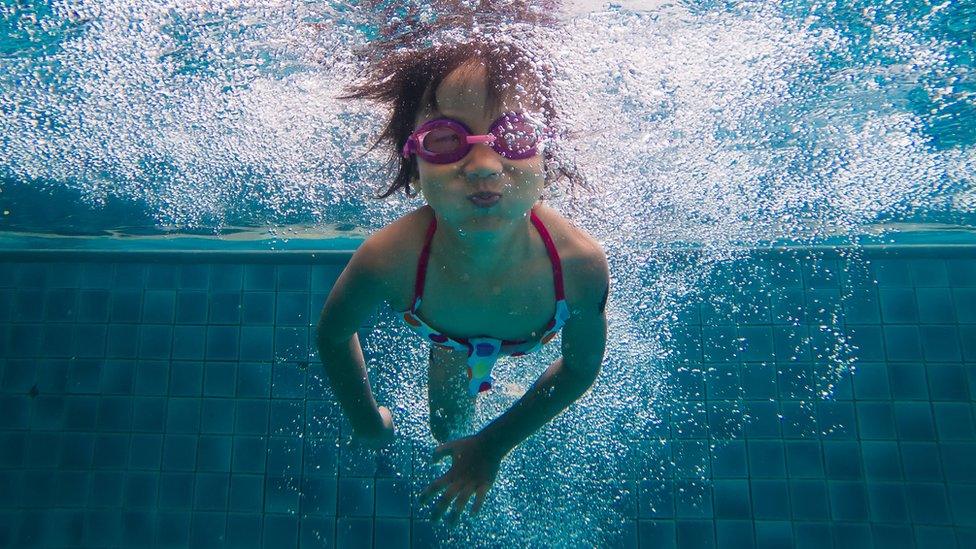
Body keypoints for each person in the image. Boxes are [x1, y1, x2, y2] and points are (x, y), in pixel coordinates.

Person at [315, 4, 609, 525]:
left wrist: (494, 445)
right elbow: (333, 335)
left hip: (524, 335)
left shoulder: (578, 263)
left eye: (514, 136)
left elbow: (581, 367)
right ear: (413, 157)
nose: (485, 166)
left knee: (472, 436)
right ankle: (478, 378)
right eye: (446, 140)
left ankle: (498, 389)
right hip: (446, 339)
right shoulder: (389, 257)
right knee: (445, 431)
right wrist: (365, 420)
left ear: (545, 151)